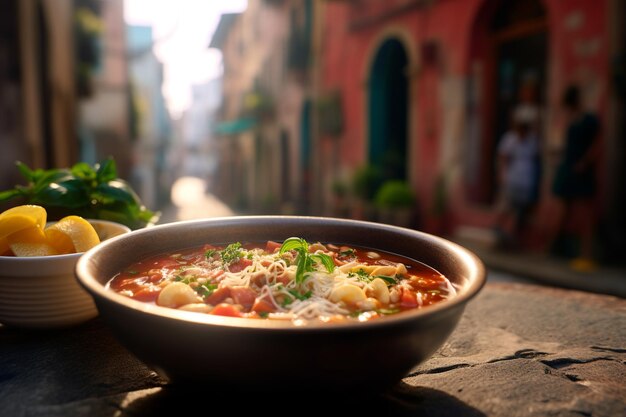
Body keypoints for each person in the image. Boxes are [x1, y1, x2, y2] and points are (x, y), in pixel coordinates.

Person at [549, 84, 601, 271]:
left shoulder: (590, 120)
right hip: (569, 169)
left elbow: (596, 145)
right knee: (563, 211)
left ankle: (586, 255)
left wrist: (585, 162)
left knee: (584, 215)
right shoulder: (572, 119)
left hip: (581, 172)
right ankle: (554, 249)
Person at [493, 107, 541, 248]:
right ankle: (498, 230)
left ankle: (510, 236)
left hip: (526, 180)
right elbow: (502, 158)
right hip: (512, 178)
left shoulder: (532, 140)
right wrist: (502, 175)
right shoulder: (510, 139)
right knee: (507, 206)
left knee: (519, 209)